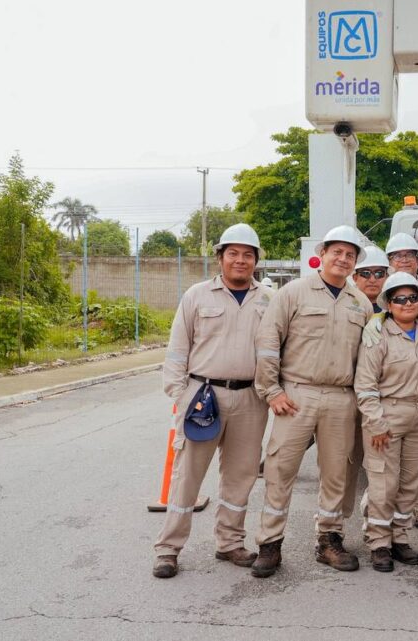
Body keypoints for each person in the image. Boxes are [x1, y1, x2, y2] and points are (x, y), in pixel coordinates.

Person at [250, 225, 373, 577]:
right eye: (338, 251)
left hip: (341, 397)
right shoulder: (294, 293)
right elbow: (268, 339)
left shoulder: (359, 303)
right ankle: (270, 543)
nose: (343, 258)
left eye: (350, 254)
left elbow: (368, 358)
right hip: (297, 394)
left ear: (354, 263)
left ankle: (329, 540)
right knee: (279, 470)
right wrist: (271, 390)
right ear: (324, 252)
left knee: (338, 474)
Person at [152, 223, 272, 579]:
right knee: (187, 476)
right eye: (232, 253)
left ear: (256, 261)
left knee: (242, 475)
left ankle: (230, 543)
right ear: (220, 258)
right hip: (204, 397)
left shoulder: (268, 299)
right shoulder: (197, 296)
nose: (240, 260)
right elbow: (177, 351)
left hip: (251, 398)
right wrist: (181, 395)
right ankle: (168, 549)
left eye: (247, 254)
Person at [353, 272, 418, 572]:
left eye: (412, 297)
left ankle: (399, 538)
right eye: (399, 299)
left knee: (411, 482)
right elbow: (365, 384)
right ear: (388, 304)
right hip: (387, 413)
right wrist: (375, 422)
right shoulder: (377, 336)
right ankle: (378, 543)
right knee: (384, 483)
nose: (407, 303)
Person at [384, 231, 418, 531]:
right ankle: (383, 511)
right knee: (383, 461)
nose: (404, 260)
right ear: (389, 261)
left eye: (409, 255)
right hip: (387, 387)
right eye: (397, 256)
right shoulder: (381, 290)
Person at [343, 246, 391, 527]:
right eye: (365, 273)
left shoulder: (399, 307)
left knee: (381, 467)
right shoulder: (345, 306)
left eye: (379, 273)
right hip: (348, 400)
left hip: (383, 402)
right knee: (345, 468)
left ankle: (373, 522)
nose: (372, 279)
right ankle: (331, 531)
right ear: (354, 275)